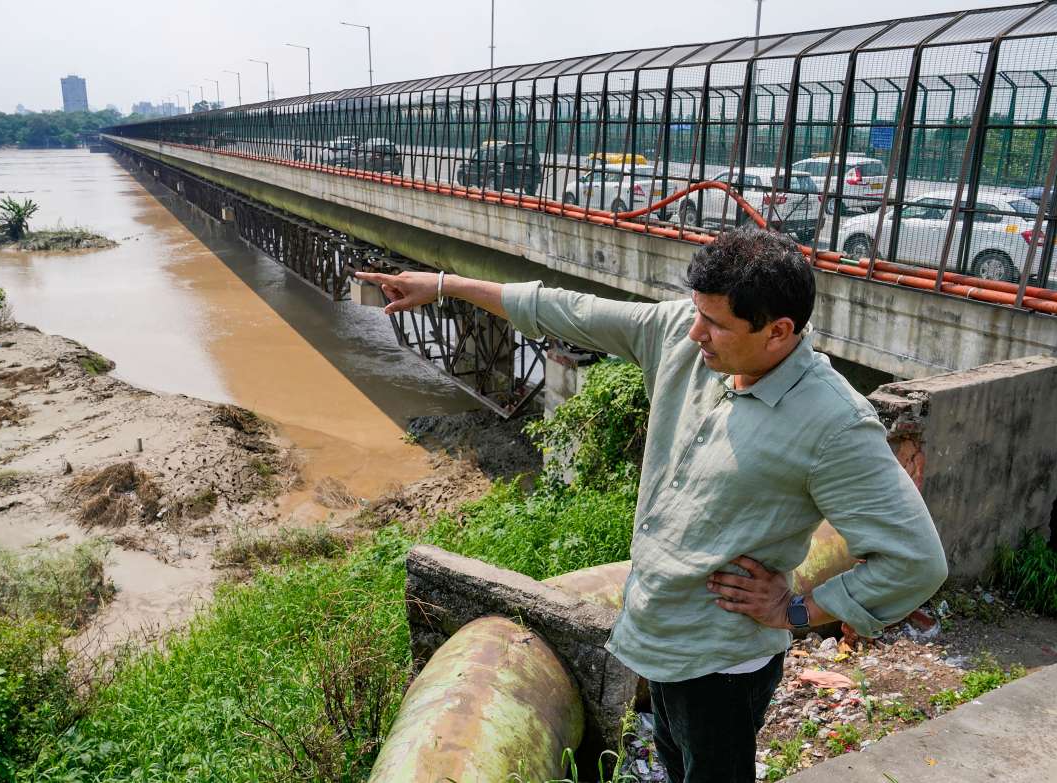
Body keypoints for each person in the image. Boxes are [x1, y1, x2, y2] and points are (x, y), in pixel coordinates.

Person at [354, 226, 948, 783]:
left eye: (715, 324)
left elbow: (915, 559)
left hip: (721, 662)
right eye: (696, 313)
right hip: (655, 631)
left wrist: (799, 612)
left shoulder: (833, 423)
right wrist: (441, 285)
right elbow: (569, 310)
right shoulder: (685, 341)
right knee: (670, 756)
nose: (695, 334)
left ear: (778, 331)